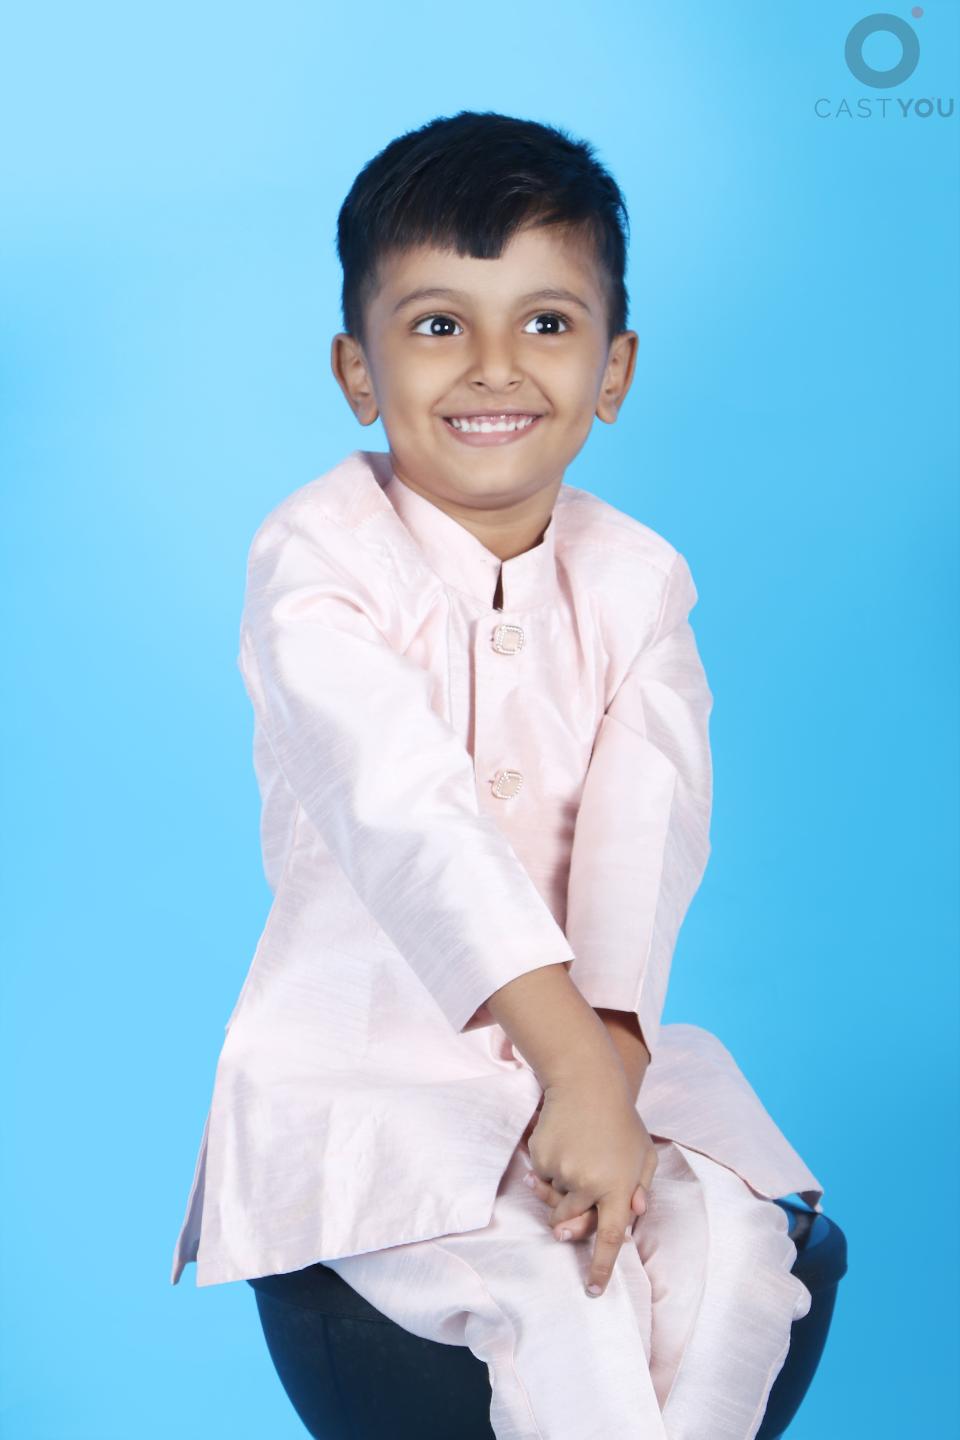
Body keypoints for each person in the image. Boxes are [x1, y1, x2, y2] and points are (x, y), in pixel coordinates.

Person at [170, 110, 823, 1438]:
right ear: (357, 370)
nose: (494, 367)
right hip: (368, 1082)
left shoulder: (639, 579)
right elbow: (404, 814)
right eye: (436, 324)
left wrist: (607, 1069)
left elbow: (647, 832)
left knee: (734, 1261)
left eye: (546, 322)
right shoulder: (316, 560)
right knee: (559, 1296)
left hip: (604, 1059)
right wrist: (568, 1071)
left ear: (613, 367)